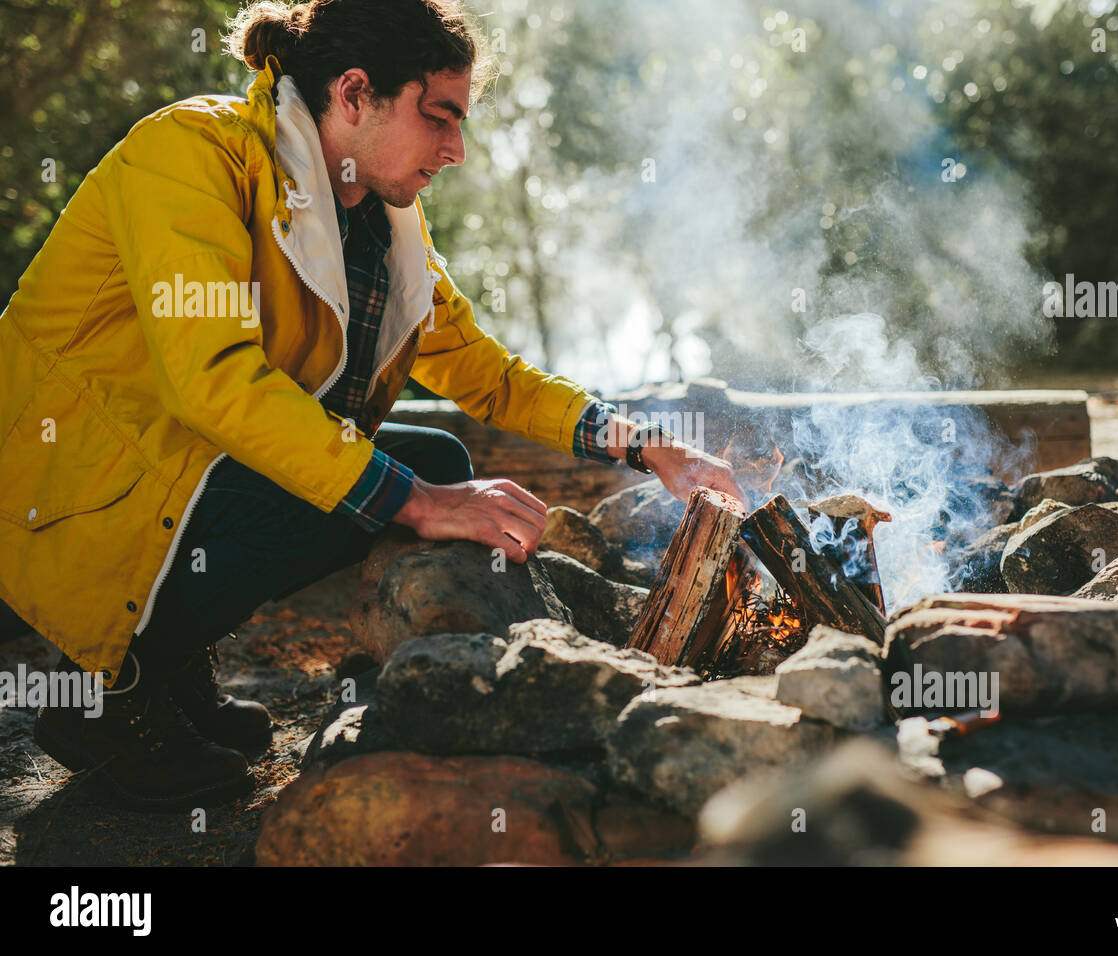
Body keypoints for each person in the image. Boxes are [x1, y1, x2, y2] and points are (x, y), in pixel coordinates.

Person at [0, 0, 746, 811]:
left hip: (178, 474)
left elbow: (482, 370)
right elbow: (212, 379)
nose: (456, 150)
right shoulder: (189, 154)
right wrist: (419, 503)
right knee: (412, 485)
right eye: (439, 118)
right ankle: (106, 690)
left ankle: (167, 653)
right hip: (73, 488)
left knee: (438, 463)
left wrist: (648, 445)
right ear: (354, 93)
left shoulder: (378, 214)